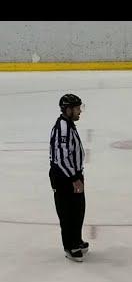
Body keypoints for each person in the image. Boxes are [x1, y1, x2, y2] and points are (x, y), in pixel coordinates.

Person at [49, 94, 89, 262]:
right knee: (67, 213)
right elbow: (61, 158)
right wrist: (74, 178)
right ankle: (70, 246)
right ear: (68, 109)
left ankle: (76, 240)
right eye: (77, 108)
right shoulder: (62, 128)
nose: (80, 111)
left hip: (73, 175)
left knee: (78, 209)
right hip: (64, 177)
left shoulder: (69, 125)